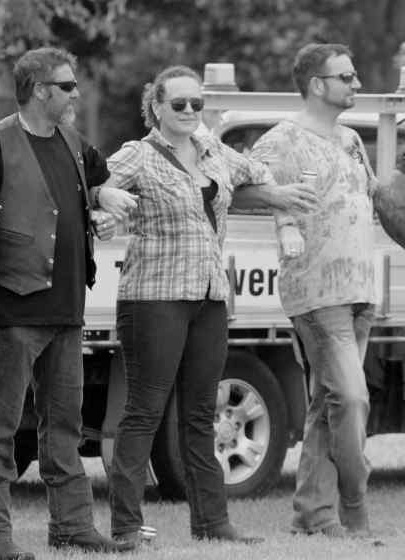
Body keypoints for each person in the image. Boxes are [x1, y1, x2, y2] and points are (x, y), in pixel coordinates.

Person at [89, 64, 319, 547]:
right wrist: (102, 197)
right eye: (180, 104)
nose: (191, 111)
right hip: (154, 297)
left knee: (201, 414)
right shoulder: (139, 155)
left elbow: (255, 174)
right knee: (145, 412)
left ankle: (213, 524)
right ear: (156, 108)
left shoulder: (214, 150)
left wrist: (279, 193)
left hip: (211, 297)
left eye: (197, 104)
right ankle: (126, 526)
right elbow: (90, 184)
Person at [0, 47, 135, 560]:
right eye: (67, 85)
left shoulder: (74, 141)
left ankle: (72, 528)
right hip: (13, 309)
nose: (77, 92)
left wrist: (106, 200)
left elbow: (100, 182)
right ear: (39, 90)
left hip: (65, 309)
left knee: (66, 424)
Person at [250, 43, 378, 538]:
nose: (357, 84)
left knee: (329, 408)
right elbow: (237, 185)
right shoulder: (281, 140)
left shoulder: (350, 140)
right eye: (346, 77)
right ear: (318, 85)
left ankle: (313, 516)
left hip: (360, 289)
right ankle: (355, 509)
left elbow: (371, 199)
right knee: (352, 398)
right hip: (316, 292)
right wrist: (278, 201)